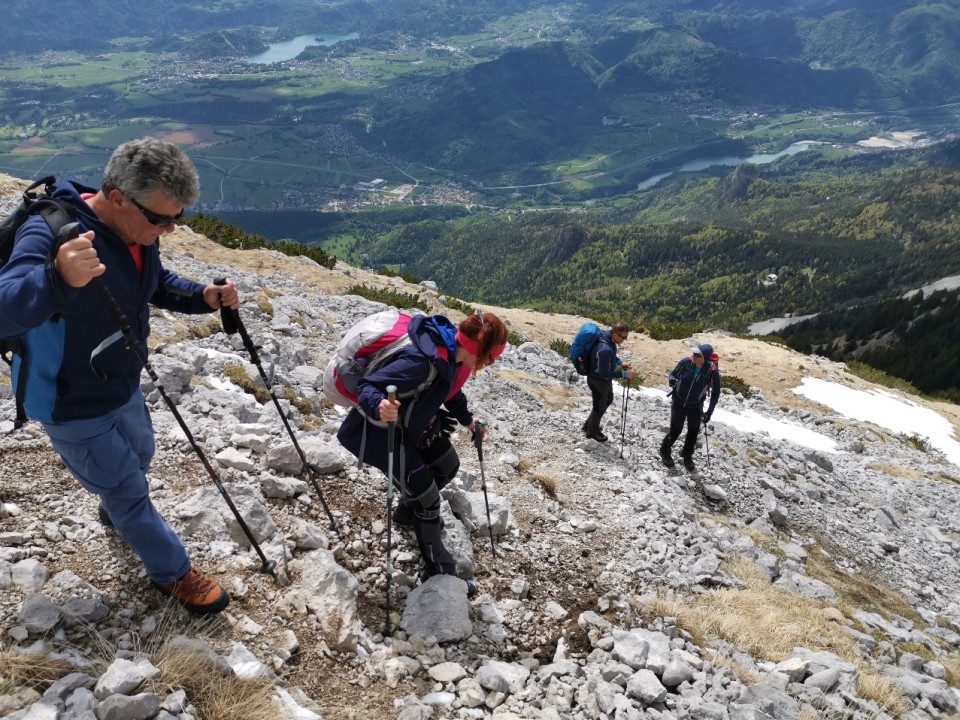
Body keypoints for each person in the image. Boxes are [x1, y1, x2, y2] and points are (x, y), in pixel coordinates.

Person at [0, 137, 239, 614]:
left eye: (177, 218)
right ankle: (172, 573)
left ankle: (115, 507)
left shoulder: (135, 233)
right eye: (160, 218)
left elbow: (152, 284)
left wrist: (201, 298)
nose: (169, 230)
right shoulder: (50, 232)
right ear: (117, 199)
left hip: (120, 381)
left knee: (140, 454)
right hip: (71, 401)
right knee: (128, 489)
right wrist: (55, 277)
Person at [337, 311, 508, 580]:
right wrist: (380, 405)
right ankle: (437, 568)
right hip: (377, 433)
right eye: (490, 358)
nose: (489, 363)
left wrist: (468, 421)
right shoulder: (420, 362)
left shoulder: (453, 353)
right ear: (479, 351)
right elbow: (368, 386)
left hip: (410, 427)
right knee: (427, 497)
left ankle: (408, 512)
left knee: (448, 465)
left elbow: (450, 390)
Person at [659, 343, 721, 471]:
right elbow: (673, 374)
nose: (693, 356)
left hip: (695, 405)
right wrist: (671, 380)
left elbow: (716, 393)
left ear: (705, 358)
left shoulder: (712, 372)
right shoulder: (686, 362)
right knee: (676, 429)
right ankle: (665, 450)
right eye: (694, 353)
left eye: (697, 355)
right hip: (679, 402)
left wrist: (709, 412)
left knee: (693, 431)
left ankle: (687, 455)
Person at [583, 321, 637, 442]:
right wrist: (624, 374)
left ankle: (589, 425)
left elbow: (612, 356)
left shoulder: (607, 338)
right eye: (624, 337)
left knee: (607, 400)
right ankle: (591, 432)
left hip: (601, 380)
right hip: (598, 381)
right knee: (599, 406)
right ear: (616, 334)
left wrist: (619, 363)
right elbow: (603, 373)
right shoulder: (605, 349)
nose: (625, 340)